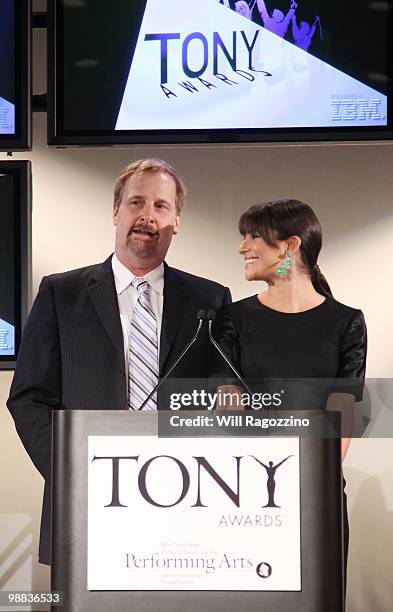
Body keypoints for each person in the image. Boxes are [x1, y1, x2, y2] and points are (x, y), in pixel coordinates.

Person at [7, 158, 231, 565]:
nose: (147, 216)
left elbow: (221, 400)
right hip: (87, 505)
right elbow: (28, 399)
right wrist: (70, 474)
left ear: (177, 220)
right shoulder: (62, 294)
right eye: (136, 203)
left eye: (161, 206)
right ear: (115, 211)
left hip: (186, 507)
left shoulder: (211, 301)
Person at [213, 199, 367, 577]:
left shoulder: (346, 323)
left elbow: (341, 416)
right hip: (244, 497)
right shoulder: (231, 319)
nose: (242, 247)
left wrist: (310, 476)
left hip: (316, 494)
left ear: (290, 246)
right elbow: (227, 405)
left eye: (253, 237)